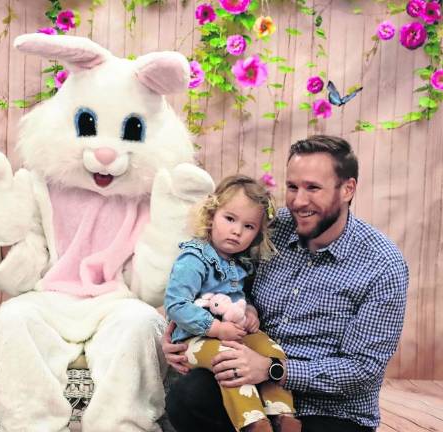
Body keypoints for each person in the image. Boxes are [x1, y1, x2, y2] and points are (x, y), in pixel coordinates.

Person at [163, 135, 409, 432]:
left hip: (331, 409)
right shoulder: (268, 229)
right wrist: (182, 334)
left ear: (347, 189)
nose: (298, 201)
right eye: (293, 187)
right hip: (249, 387)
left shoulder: (383, 264)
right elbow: (223, 287)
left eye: (313, 188)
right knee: (187, 396)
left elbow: (363, 370)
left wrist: (273, 369)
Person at [164, 175, 300, 432]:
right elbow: (176, 304)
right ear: (211, 215)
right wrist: (215, 329)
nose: (237, 231)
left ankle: (282, 414)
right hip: (193, 341)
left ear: (257, 233)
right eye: (230, 219)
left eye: (248, 226)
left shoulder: (239, 263)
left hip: (230, 336)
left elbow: (238, 298)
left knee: (269, 348)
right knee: (231, 360)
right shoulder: (194, 258)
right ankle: (252, 422)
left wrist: (249, 311)